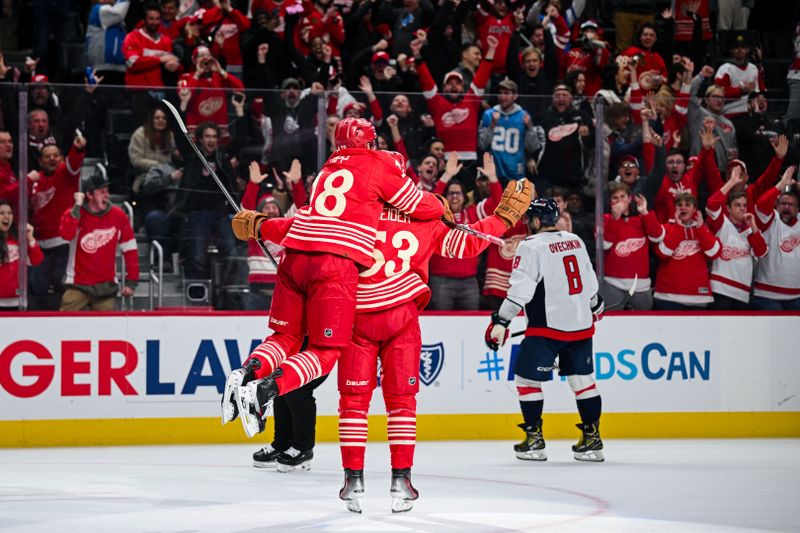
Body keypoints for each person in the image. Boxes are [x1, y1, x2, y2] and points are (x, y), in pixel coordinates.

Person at [221, 118, 448, 441]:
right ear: (371, 144)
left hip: (294, 256)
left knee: (284, 338)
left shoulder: (328, 169)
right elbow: (417, 204)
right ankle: (263, 390)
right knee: (326, 351)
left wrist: (260, 226)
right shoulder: (378, 167)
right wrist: (440, 205)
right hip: (333, 266)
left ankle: (246, 372)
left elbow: (299, 225)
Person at [484, 197, 605, 462]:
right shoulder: (576, 240)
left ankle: (535, 441)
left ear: (538, 220)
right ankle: (593, 441)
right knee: (583, 382)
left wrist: (501, 321)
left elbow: (520, 291)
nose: (528, 223)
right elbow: (590, 280)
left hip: (546, 329)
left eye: (530, 219)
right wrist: (595, 306)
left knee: (527, 380)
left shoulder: (531, 246)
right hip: (581, 325)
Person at [58, 173, 139, 311]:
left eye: (107, 191)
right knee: (65, 326)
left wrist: (131, 282)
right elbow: (66, 234)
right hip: (78, 285)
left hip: (105, 287)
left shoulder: (118, 216)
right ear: (89, 195)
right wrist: (77, 206)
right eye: (102, 192)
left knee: (108, 330)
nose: (107, 196)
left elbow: (130, 249)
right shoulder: (74, 213)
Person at [27, 134, 86, 310]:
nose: (52, 159)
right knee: (37, 286)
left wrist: (77, 149)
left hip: (63, 244)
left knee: (63, 286)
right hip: (39, 245)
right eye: (47, 156)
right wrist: (28, 181)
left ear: (61, 158)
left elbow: (74, 163)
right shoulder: (34, 181)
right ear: (40, 161)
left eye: (56, 155)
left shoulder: (65, 174)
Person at [705, 167, 768, 310]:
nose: (742, 208)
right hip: (720, 290)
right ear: (728, 208)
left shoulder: (751, 230)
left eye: (745, 205)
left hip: (742, 293)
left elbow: (761, 252)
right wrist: (732, 182)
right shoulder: (722, 223)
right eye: (737, 205)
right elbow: (712, 204)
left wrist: (753, 225)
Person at [653, 193, 722, 310]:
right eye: (679, 205)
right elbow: (662, 253)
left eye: (687, 205)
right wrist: (679, 228)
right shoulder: (666, 229)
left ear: (694, 209)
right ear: (675, 209)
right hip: (668, 297)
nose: (683, 207)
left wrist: (700, 229)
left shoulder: (703, 230)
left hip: (698, 298)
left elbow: (714, 253)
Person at [601, 183, 664, 310]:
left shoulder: (641, 219)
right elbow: (604, 245)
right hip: (613, 284)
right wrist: (615, 219)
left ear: (630, 199)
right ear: (610, 201)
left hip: (640, 285)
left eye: (622, 196)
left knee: (644, 325)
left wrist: (645, 212)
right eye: (615, 197)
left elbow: (657, 237)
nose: (619, 201)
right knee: (612, 322)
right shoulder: (605, 219)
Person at [752, 167, 800, 310]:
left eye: (791, 205)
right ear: (776, 206)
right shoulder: (771, 220)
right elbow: (761, 205)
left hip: (797, 296)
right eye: (783, 203)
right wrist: (781, 184)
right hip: (767, 296)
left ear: (798, 209)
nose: (786, 207)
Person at [478, 79, 542, 182]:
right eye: (500, 93)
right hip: (494, 174)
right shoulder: (489, 115)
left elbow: (532, 147)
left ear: (515, 96)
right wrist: (492, 125)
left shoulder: (523, 116)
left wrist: (530, 127)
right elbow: (482, 144)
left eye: (506, 93)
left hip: (516, 173)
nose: (502, 97)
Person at [0, 200, 43, 310]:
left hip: (18, 301)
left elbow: (36, 260)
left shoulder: (18, 238)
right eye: (2, 213)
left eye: (9, 213)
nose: (6, 216)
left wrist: (30, 238)